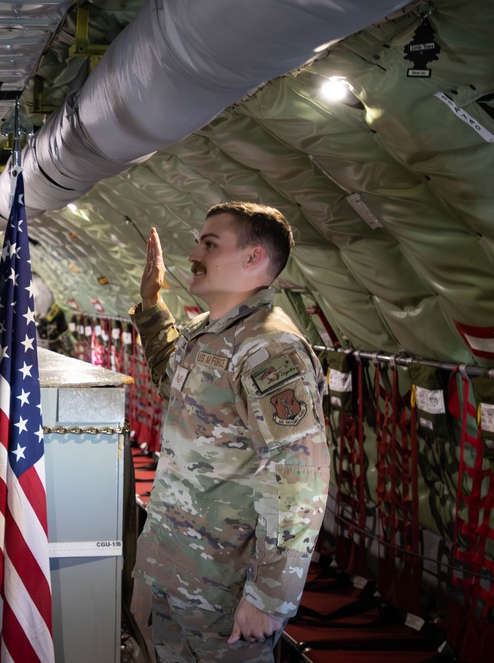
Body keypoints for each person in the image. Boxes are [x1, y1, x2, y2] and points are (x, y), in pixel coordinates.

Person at [129, 202, 330, 663]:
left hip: (223, 586)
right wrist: (151, 305)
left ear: (253, 258)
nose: (193, 254)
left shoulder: (269, 349)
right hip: (177, 569)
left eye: (210, 244)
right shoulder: (209, 331)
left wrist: (269, 597)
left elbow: (300, 474)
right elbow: (172, 382)